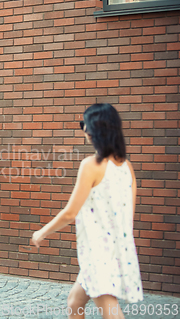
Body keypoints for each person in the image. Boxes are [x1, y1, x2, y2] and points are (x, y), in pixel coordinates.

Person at [31, 103, 143, 319]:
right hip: (118, 249)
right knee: (74, 303)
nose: (83, 129)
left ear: (94, 129)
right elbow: (129, 214)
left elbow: (70, 212)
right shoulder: (126, 166)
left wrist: (41, 232)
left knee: (111, 313)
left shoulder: (91, 165)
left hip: (99, 252)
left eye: (84, 123)